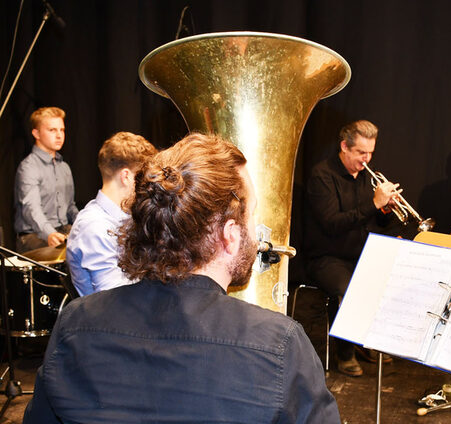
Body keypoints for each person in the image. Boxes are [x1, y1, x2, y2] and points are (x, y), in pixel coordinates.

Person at [23, 133, 339, 423]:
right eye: (251, 216)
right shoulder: (280, 344)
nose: (255, 233)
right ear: (229, 235)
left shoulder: (74, 325)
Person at [304, 119, 399, 377]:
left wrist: (385, 210)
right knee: (350, 288)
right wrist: (374, 204)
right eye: (361, 153)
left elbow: (377, 220)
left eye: (370, 153)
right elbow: (332, 224)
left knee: (391, 278)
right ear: (344, 147)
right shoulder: (322, 175)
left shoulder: (368, 177)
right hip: (326, 256)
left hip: (359, 253)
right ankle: (345, 352)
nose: (366, 159)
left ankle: (364, 343)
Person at [65, 132, 157, 296]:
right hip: (114, 317)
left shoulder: (126, 217)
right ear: (126, 176)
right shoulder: (94, 227)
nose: (147, 186)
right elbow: (117, 301)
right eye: (143, 178)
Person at [14, 107, 79, 252]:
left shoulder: (64, 167)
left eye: (61, 130)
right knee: (68, 250)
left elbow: (70, 207)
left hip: (62, 230)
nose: (59, 135)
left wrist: (86, 223)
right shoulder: (28, 167)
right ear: (36, 133)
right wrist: (49, 233)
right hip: (34, 235)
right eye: (52, 130)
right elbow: (31, 209)